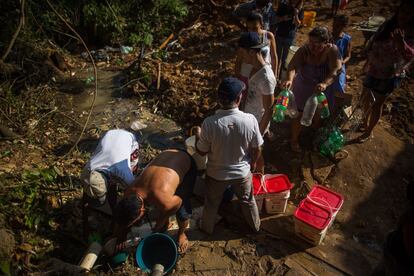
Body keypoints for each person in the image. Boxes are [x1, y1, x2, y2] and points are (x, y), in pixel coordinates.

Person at [195, 77, 263, 234]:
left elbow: (201, 151)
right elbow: (257, 147)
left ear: (219, 99)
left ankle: (207, 229)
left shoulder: (209, 123)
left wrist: (198, 135)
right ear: (239, 98)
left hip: (216, 174)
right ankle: (256, 227)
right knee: (247, 201)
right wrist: (252, 164)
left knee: (211, 203)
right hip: (241, 173)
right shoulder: (250, 120)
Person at [113, 149, 196, 253]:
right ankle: (166, 223)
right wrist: (122, 235)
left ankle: (182, 233)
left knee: (182, 212)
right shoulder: (129, 192)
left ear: (142, 210)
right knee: (163, 209)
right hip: (167, 154)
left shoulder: (163, 199)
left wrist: (161, 220)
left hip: (187, 163)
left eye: (136, 220)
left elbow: (178, 203)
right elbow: (125, 216)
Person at [358, 0, 414, 143]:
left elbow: (410, 56)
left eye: (409, 13)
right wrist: (367, 61)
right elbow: (373, 41)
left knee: (377, 103)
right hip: (374, 68)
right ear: (398, 11)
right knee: (365, 98)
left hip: (390, 74)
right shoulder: (388, 25)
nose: (404, 15)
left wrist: (402, 44)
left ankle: (368, 131)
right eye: (403, 11)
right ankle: (364, 122)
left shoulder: (411, 34)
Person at [282, 26, 342, 152]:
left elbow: (335, 71)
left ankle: (313, 131)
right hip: (303, 87)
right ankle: (294, 140)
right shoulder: (304, 50)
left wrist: (325, 84)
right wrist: (289, 79)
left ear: (327, 43)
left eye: (317, 45)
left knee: (319, 113)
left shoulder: (332, 51)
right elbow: (292, 67)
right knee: (298, 115)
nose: (313, 47)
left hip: (322, 90)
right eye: (311, 43)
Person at [238, 32, 276, 172]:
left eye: (242, 52)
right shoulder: (253, 68)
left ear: (252, 52)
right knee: (251, 153)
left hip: (258, 122)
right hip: (249, 116)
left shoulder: (266, 77)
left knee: (257, 153)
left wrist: (258, 133)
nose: (241, 56)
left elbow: (269, 109)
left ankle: (260, 178)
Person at [81, 129, 140, 208]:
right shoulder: (86, 171)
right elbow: (87, 190)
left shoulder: (123, 173)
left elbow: (135, 191)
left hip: (128, 139)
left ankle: (114, 204)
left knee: (130, 180)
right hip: (109, 134)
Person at [236, 12, 278, 79]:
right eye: (249, 28)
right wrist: (237, 77)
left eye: (255, 28)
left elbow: (274, 57)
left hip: (264, 76)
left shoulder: (268, 36)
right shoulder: (245, 38)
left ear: (261, 24)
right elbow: (238, 60)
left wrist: (274, 75)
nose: (251, 31)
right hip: (246, 75)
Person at [275, 0, 304, 74]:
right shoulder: (282, 6)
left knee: (285, 59)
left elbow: (298, 24)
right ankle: (275, 74)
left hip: (290, 36)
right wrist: (283, 18)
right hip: (279, 35)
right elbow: (275, 20)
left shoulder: (300, 9)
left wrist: (296, 14)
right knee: (276, 56)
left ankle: (281, 76)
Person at [330, 15, 352, 109]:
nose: (335, 27)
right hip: (328, 65)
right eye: (334, 25)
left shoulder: (346, 39)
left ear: (344, 26)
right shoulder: (328, 37)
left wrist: (342, 62)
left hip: (339, 67)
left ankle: (336, 109)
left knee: (339, 87)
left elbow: (348, 55)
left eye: (338, 26)